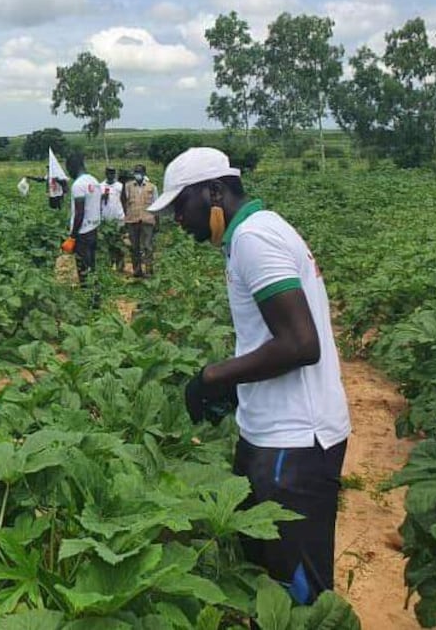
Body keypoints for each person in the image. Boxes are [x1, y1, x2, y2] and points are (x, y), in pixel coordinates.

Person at [149, 147, 351, 605]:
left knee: (297, 592)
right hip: (273, 433)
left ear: (215, 191)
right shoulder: (252, 234)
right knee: (262, 576)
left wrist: (214, 376)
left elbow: (301, 343)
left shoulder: (254, 239)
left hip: (295, 440)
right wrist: (240, 390)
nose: (179, 219)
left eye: (182, 205)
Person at [66, 153, 101, 287]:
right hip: (93, 229)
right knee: (92, 264)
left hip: (83, 233)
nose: (69, 173)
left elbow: (79, 213)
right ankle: (95, 296)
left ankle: (90, 298)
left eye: (69, 169)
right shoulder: (94, 180)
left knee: (83, 268)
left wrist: (72, 237)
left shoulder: (78, 185)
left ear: (73, 166)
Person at [122, 164, 158, 277]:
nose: (137, 174)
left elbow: (156, 205)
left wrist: (157, 222)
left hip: (147, 220)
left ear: (144, 173)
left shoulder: (152, 187)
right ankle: (137, 270)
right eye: (136, 172)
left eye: (140, 172)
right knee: (134, 247)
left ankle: (149, 270)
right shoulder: (128, 186)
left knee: (147, 246)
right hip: (132, 220)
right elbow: (123, 201)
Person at [100, 167, 126, 273]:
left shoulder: (120, 186)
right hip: (106, 219)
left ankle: (120, 264)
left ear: (115, 174)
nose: (111, 175)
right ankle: (111, 263)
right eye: (109, 173)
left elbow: (125, 201)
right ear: (106, 174)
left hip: (118, 218)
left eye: (113, 173)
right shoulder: (100, 186)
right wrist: (102, 196)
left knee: (119, 242)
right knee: (109, 243)